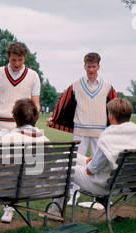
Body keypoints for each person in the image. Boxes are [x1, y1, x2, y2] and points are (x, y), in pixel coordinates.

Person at [46, 52, 117, 205]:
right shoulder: (76, 85)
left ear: (98, 67)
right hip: (80, 130)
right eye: (88, 66)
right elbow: (63, 101)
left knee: (99, 163)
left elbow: (115, 105)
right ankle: (73, 194)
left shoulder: (107, 86)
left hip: (100, 131)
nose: (91, 70)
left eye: (93, 66)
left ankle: (98, 197)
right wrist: (54, 117)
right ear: (84, 66)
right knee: (74, 162)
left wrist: (117, 125)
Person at [0, 41, 41, 223]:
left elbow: (35, 104)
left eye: (21, 60)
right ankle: (0, 204)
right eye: (14, 60)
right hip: (1, 125)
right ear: (8, 57)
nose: (17, 63)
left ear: (25, 58)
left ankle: (9, 207)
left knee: (18, 167)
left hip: (23, 127)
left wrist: (33, 124)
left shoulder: (32, 75)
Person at [54, 98, 136, 209]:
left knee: (65, 167)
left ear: (111, 116)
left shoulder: (108, 137)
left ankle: (55, 210)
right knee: (67, 156)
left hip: (102, 185)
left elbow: (90, 171)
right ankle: (45, 182)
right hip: (120, 182)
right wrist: (96, 159)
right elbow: (114, 156)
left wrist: (91, 163)